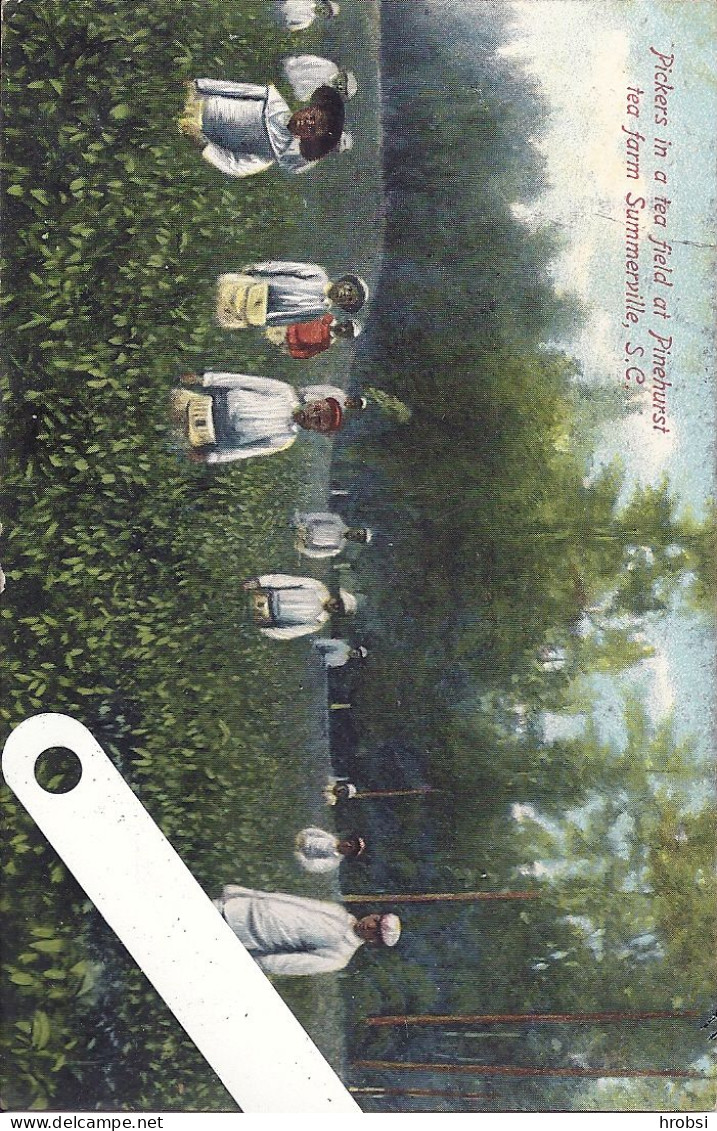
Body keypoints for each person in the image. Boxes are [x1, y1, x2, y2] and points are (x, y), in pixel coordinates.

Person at [171, 374, 363, 465]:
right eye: (318, 409)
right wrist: (205, 379)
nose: (313, 415)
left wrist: (211, 457)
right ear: (316, 401)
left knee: (171, 439)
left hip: (213, 435)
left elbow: (248, 451)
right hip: (209, 405)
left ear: (317, 430)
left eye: (319, 421)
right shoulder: (284, 391)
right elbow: (244, 381)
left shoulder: (284, 439)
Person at [213, 885, 400, 974]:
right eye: (376, 920)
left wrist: (242, 962)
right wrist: (248, 894)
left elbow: (283, 964)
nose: (369, 925)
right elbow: (292, 901)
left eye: (376, 931)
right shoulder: (338, 912)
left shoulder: (339, 957)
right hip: (239, 906)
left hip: (239, 935)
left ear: (373, 941)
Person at [179, 79, 345, 179]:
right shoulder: (273, 100)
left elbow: (234, 165)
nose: (306, 122)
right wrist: (197, 85)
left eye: (311, 129)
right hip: (199, 99)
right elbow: (232, 88)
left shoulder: (271, 153)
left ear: (308, 138)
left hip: (194, 127)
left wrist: (200, 141)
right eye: (311, 117)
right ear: (308, 108)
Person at [216, 262, 368, 329]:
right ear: (344, 282)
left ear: (345, 305)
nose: (345, 294)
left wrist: (265, 321)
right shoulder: (318, 275)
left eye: (349, 299)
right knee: (219, 294)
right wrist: (257, 268)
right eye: (349, 289)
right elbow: (285, 268)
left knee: (222, 315)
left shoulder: (319, 311)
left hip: (258, 312)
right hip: (254, 287)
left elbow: (289, 319)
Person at [242, 574, 357, 640]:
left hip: (263, 617)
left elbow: (290, 632)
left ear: (338, 614)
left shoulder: (317, 624)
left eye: (339, 608)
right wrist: (260, 582)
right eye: (339, 602)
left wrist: (264, 631)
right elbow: (287, 581)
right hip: (262, 597)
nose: (335, 605)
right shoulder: (318, 587)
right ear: (337, 596)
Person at [264, 313, 361, 359]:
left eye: (346, 332)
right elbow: (306, 312)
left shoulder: (326, 343)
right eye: (346, 325)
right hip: (284, 324)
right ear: (344, 322)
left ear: (345, 337)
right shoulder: (328, 318)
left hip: (284, 340)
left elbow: (306, 353)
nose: (343, 329)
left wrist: (287, 349)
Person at [293, 511, 372, 559]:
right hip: (300, 525)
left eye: (358, 539)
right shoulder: (337, 520)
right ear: (357, 528)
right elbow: (315, 516)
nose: (355, 536)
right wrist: (303, 524)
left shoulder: (337, 548)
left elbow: (317, 554)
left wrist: (303, 549)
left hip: (300, 542)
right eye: (358, 533)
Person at [283, 56, 358, 102]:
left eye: (342, 90)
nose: (340, 86)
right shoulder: (330, 67)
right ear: (342, 75)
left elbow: (299, 96)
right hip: (286, 66)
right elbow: (306, 60)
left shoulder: (321, 95)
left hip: (284, 88)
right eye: (343, 82)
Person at [294, 828, 366, 873]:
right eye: (350, 843)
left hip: (297, 854)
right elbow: (312, 831)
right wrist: (300, 837)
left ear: (349, 854)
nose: (348, 845)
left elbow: (311, 866)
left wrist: (299, 854)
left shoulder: (332, 862)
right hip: (298, 839)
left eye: (350, 848)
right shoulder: (331, 838)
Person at [272, 0, 339, 32]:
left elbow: (287, 28)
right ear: (322, 3)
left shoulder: (306, 23)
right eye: (324, 6)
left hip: (274, 16)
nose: (322, 10)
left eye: (325, 13)